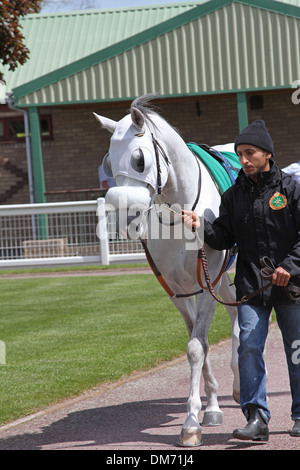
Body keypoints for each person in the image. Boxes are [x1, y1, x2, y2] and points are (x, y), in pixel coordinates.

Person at [182, 119, 300, 441]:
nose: (244, 160)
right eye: (240, 154)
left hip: (291, 287)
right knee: (247, 346)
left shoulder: (290, 189)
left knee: (296, 349)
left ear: (267, 154)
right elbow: (222, 236)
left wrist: (290, 265)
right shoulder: (233, 196)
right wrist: (200, 226)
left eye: (250, 153)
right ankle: (256, 418)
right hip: (251, 287)